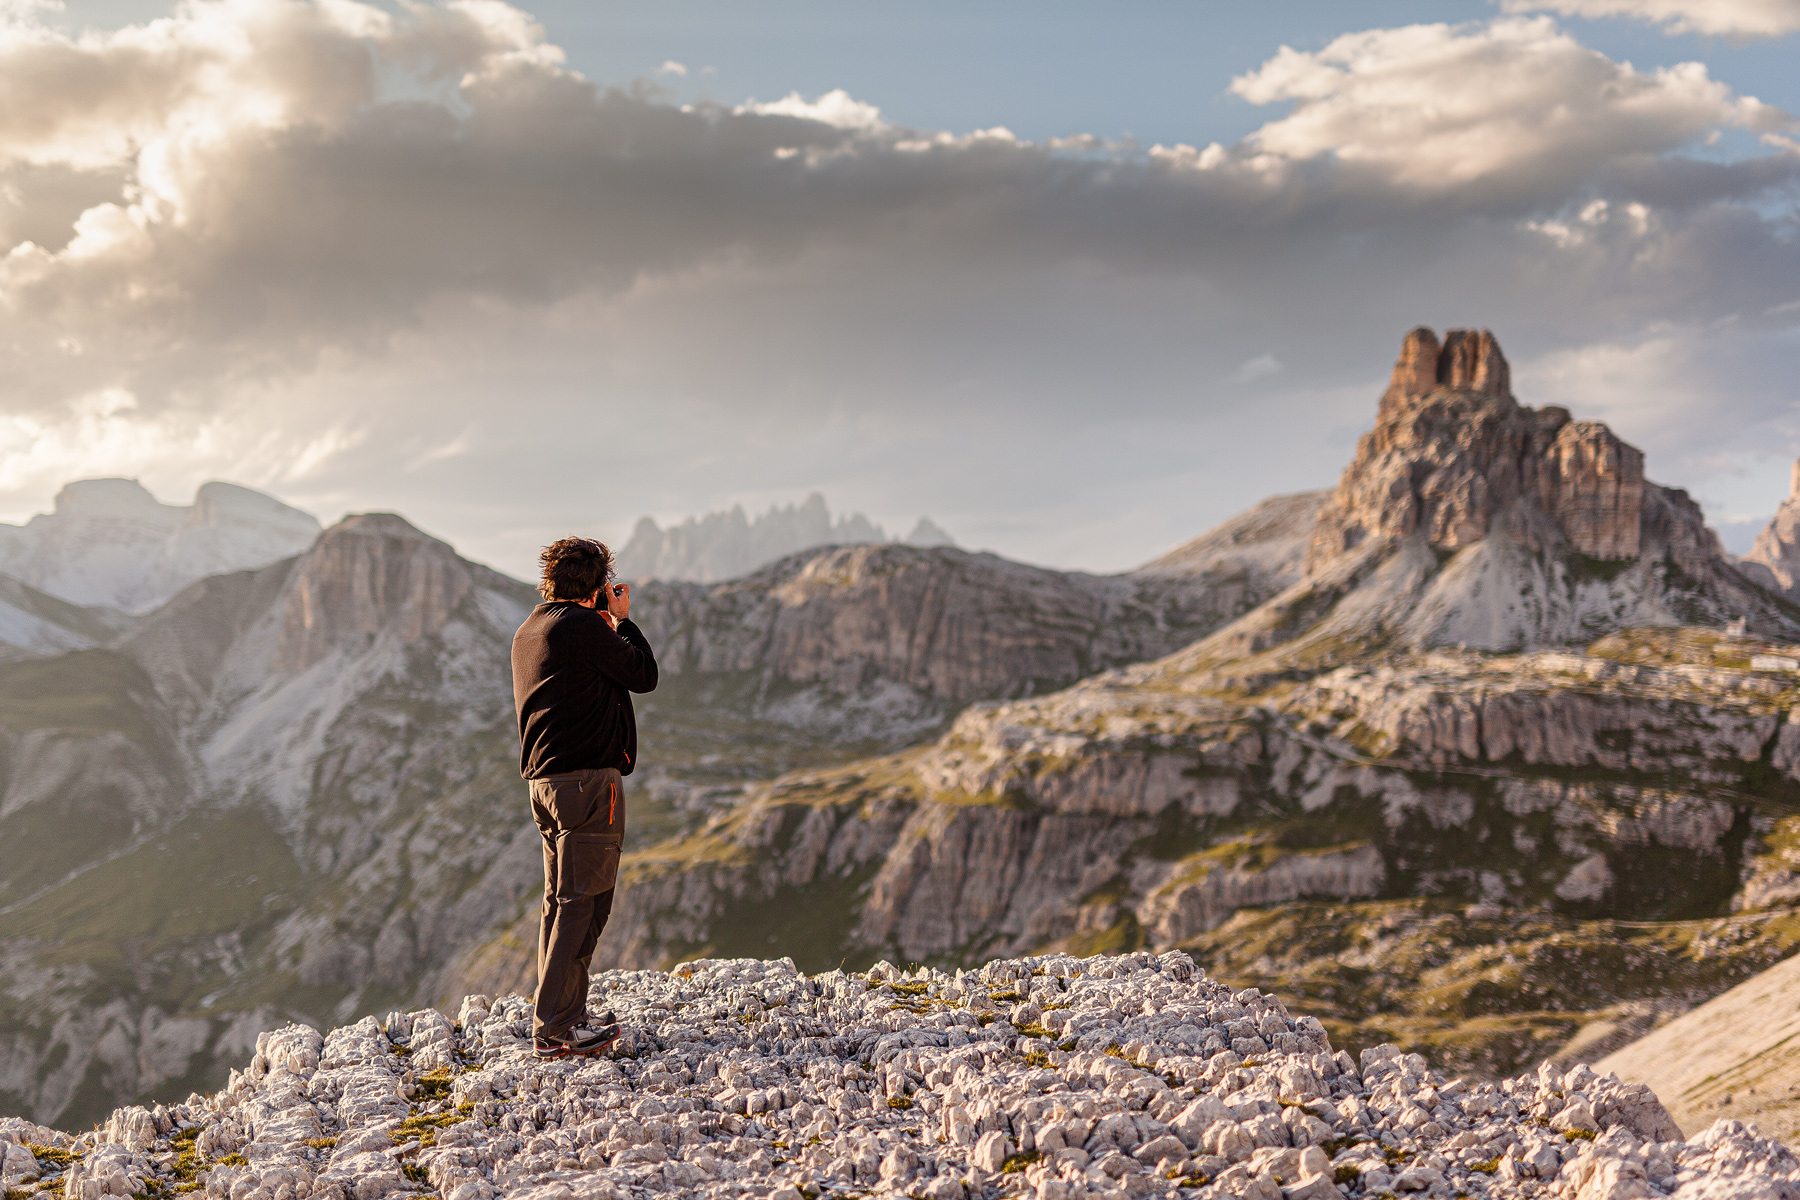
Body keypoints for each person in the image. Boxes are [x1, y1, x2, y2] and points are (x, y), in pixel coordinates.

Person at [511, 536, 658, 1059]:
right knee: (586, 904)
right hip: (589, 785)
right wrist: (621, 618)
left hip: (546, 785)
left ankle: (563, 1012)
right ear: (596, 588)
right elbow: (644, 674)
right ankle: (556, 1026)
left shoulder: (530, 629)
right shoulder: (582, 628)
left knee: (560, 901)